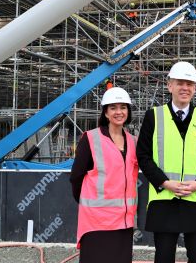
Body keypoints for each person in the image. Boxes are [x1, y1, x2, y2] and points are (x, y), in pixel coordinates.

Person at [136, 61, 196, 263]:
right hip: (164, 197)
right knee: (164, 256)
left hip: (195, 198)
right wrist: (165, 183)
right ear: (169, 85)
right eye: (180, 82)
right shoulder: (154, 117)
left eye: (189, 83)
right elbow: (143, 156)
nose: (185, 88)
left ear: (195, 88)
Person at [70, 87, 138, 263]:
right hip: (97, 222)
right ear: (106, 113)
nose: (119, 112)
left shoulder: (133, 141)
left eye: (123, 107)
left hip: (123, 221)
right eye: (113, 108)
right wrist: (85, 200)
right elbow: (76, 176)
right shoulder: (91, 138)